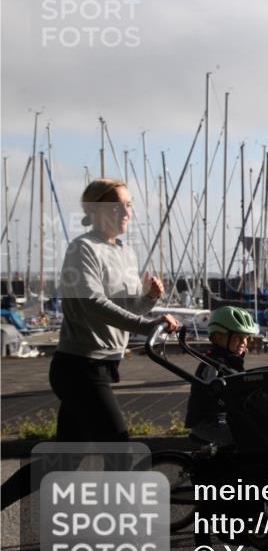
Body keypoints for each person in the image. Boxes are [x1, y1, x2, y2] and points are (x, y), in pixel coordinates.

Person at [2, 178, 180, 509]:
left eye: (129, 204)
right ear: (96, 211)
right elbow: (92, 304)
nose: (127, 211)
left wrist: (148, 300)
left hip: (104, 365)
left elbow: (123, 309)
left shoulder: (124, 251)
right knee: (120, 451)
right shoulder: (82, 249)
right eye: (119, 204)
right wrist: (147, 323)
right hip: (79, 367)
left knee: (59, 463)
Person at [184, 306, 259, 446]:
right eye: (238, 337)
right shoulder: (213, 363)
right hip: (208, 422)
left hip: (222, 417)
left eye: (246, 337)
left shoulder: (230, 360)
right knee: (248, 439)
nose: (244, 342)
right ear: (218, 338)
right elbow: (215, 392)